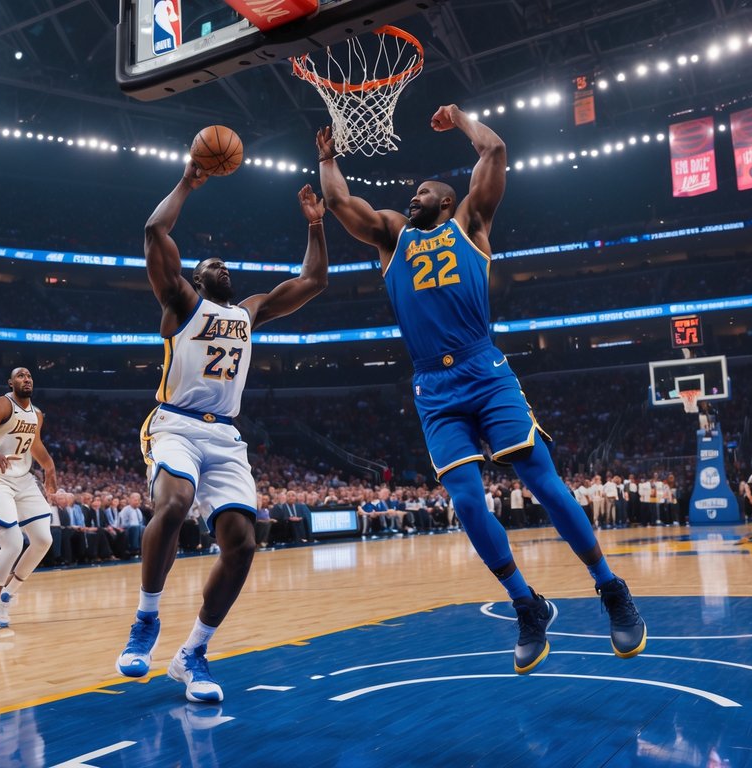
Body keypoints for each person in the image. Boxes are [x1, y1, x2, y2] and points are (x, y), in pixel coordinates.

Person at [317, 106, 646, 674]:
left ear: (447, 201)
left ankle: (610, 586)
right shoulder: (392, 234)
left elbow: (494, 154)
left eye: (422, 191)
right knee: (467, 500)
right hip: (432, 384)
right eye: (411, 193)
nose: (412, 196)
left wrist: (463, 121)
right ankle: (527, 603)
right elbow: (344, 205)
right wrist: (327, 159)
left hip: (484, 368)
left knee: (540, 479)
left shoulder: (469, 222)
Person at [115, 162, 328, 703]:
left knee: (242, 542)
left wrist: (316, 225)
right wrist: (187, 182)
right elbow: (154, 232)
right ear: (196, 276)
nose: (222, 267)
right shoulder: (182, 303)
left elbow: (312, 282)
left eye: (225, 263)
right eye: (211, 263)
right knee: (174, 502)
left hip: (226, 437)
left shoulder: (249, 312)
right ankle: (146, 619)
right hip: (175, 424)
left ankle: (193, 655)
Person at [0, 367, 59, 630]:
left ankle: (8, 595)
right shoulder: (1, 404)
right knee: (13, 542)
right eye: (20, 376)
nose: (26, 379)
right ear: (11, 382)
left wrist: (49, 467)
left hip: (24, 479)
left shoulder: (37, 414)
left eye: (29, 376)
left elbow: (34, 444)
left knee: (43, 539)